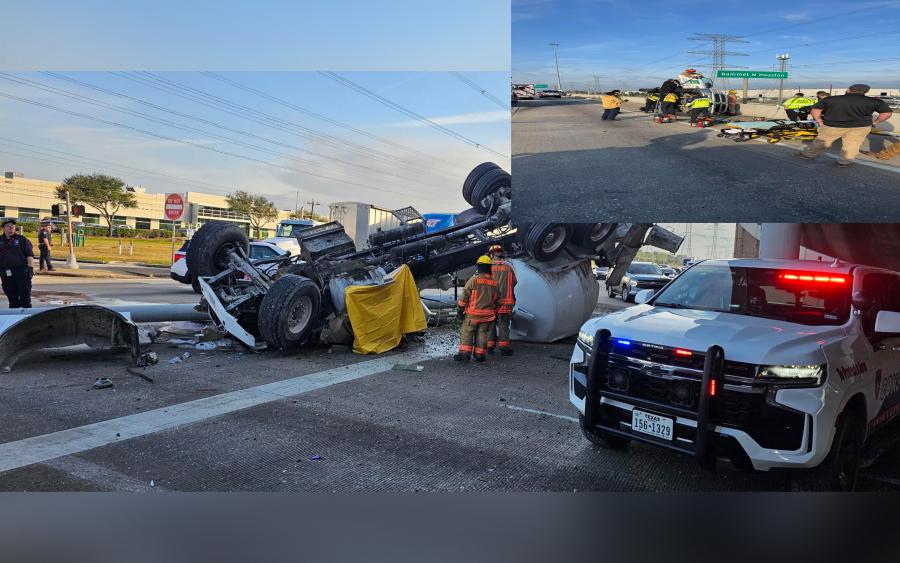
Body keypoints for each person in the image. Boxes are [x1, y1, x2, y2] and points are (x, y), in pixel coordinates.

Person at [800, 84, 893, 167]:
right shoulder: (874, 101)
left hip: (832, 126)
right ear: (866, 91)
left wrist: (819, 121)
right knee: (852, 144)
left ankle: (808, 155)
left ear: (849, 89)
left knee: (822, 142)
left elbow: (815, 110)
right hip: (860, 127)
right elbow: (887, 113)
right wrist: (875, 122)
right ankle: (844, 162)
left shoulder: (831, 99)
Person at [454, 256, 500, 363]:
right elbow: (497, 299)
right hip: (488, 315)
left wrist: (460, 310)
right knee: (482, 334)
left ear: (479, 267)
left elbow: (465, 295)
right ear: (489, 267)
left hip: (473, 314)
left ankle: (465, 354)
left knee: (467, 332)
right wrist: (495, 314)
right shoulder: (494, 283)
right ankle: (480, 355)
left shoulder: (474, 280)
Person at [487, 245, 517, 356]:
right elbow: (514, 282)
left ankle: (490, 347)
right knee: (504, 324)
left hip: (491, 302)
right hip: (506, 302)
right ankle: (504, 347)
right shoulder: (509, 268)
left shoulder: (489, 268)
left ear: (492, 255)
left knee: (490, 324)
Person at [0, 218, 35, 308]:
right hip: (5, 271)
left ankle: (26, 317)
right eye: (8, 226)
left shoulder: (22, 239)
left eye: (13, 226)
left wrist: (30, 268)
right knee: (12, 298)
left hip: (21, 271)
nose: (11, 228)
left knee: (25, 298)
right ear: (3, 228)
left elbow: (29, 254)